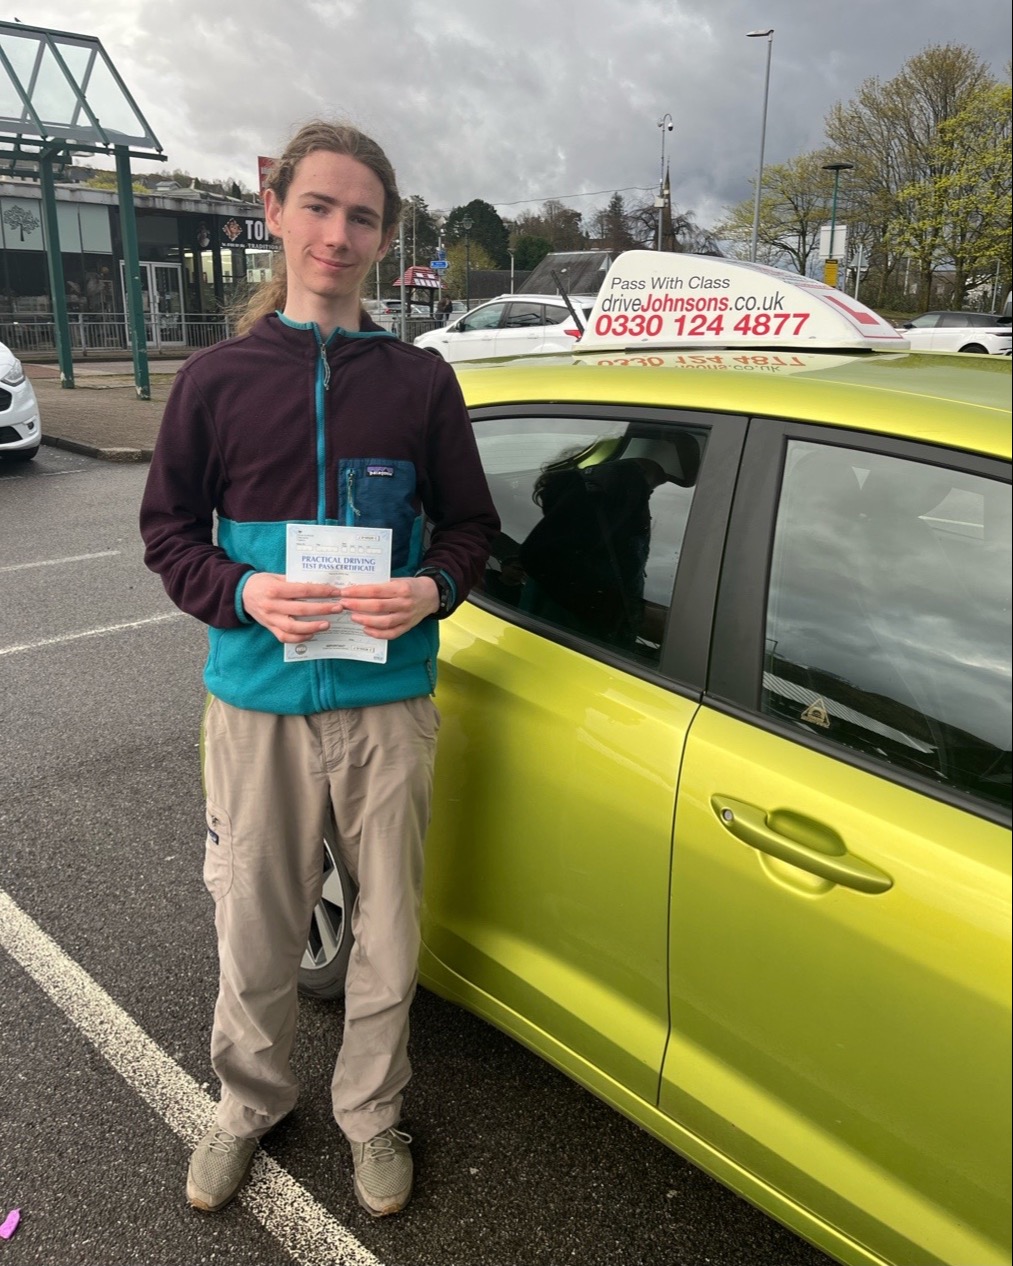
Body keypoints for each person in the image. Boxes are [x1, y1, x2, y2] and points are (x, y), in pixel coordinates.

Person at [139, 120, 499, 1218]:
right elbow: (167, 536)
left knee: (386, 931)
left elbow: (470, 531)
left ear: (384, 239)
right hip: (256, 705)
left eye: (362, 217)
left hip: (386, 708)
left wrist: (430, 588)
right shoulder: (215, 380)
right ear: (277, 214)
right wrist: (244, 592)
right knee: (253, 924)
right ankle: (245, 1103)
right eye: (319, 208)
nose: (338, 234)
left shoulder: (418, 382)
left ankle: (371, 1112)